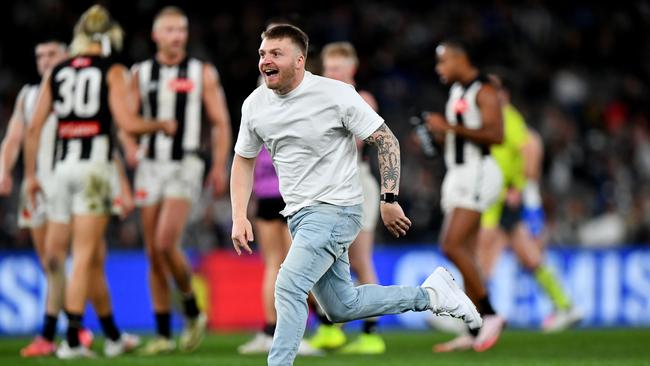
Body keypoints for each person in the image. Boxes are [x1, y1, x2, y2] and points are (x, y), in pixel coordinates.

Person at [230, 24, 481, 366]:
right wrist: (239, 215)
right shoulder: (255, 104)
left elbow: (386, 140)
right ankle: (432, 295)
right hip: (299, 217)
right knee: (340, 306)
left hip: (337, 210)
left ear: (300, 60)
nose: (265, 60)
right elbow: (243, 160)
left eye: (276, 53)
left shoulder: (335, 95)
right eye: (262, 53)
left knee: (288, 286)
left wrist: (389, 198)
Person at [24, 5, 176, 358]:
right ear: (109, 37)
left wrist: (31, 176)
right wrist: (159, 125)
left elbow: (34, 127)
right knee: (86, 256)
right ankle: (74, 340)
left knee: (57, 257)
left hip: (60, 171)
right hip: (93, 169)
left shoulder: (58, 70)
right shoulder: (113, 70)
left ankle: (74, 333)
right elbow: (127, 123)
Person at [122, 6, 232, 354]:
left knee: (166, 241)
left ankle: (191, 305)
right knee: (153, 252)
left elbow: (220, 122)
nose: (177, 35)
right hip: (150, 165)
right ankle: (164, 334)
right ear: (156, 35)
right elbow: (126, 119)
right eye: (170, 29)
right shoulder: (140, 73)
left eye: (181, 29)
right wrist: (129, 148)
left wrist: (219, 165)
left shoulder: (202, 72)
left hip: (185, 164)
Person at [0, 39, 98, 357]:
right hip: (38, 188)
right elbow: (14, 137)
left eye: (51, 54)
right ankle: (72, 328)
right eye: (39, 55)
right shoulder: (29, 97)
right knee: (50, 262)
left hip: (73, 187)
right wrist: (4, 170)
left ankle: (71, 328)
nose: (44, 60)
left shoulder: (79, 92)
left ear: (67, 57)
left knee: (78, 258)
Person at [476, 74, 583, 332]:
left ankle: (470, 313)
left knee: (483, 252)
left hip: (503, 199)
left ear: (504, 94)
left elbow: (530, 147)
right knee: (526, 255)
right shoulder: (494, 118)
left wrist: (518, 187)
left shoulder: (506, 117)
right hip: (498, 198)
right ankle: (565, 306)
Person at [426, 40, 505, 352]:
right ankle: (473, 329)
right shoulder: (458, 91)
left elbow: (496, 135)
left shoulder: (483, 89)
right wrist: (438, 133)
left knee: (451, 245)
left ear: (460, 59)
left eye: (443, 62)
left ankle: (490, 313)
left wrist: (451, 128)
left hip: (478, 172)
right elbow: (458, 131)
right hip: (458, 173)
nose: (439, 69)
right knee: (465, 253)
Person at [307, 41, 385, 354]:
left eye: (337, 68)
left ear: (351, 70)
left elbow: (353, 144)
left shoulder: (361, 99)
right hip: (330, 186)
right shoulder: (323, 99)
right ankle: (329, 331)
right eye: (327, 69)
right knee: (326, 258)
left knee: (360, 260)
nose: (331, 74)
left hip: (357, 184)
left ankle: (371, 335)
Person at [237, 147, 320, 356]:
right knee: (296, 267)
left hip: (265, 193)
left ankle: (270, 331)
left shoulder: (257, 117)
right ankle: (293, 334)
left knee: (273, 264)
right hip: (293, 193)